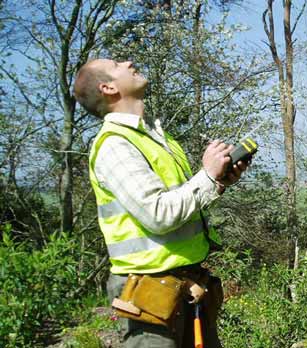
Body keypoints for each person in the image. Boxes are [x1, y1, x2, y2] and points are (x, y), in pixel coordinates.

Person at [73, 58, 247, 347]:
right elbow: (158, 214)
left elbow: (180, 207)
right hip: (151, 296)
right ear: (108, 87)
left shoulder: (156, 139)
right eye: (117, 64)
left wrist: (217, 181)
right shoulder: (115, 144)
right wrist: (206, 175)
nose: (128, 61)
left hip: (188, 287)